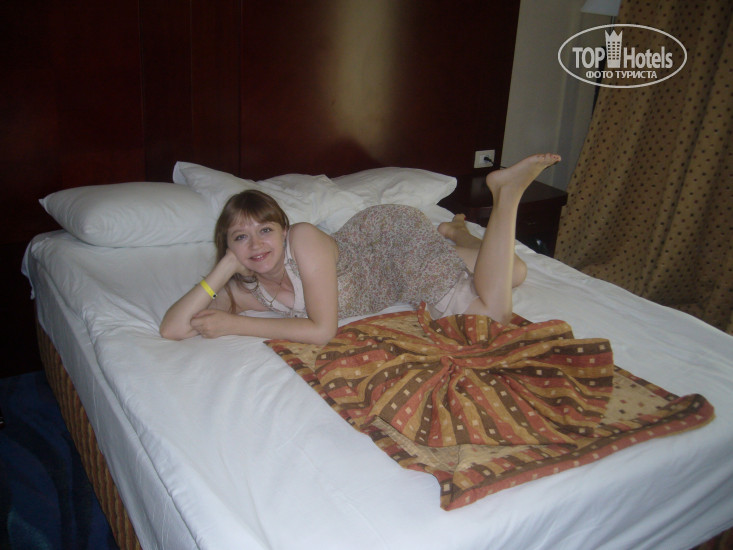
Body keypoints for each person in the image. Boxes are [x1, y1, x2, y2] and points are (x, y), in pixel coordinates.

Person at [160, 153, 561, 345]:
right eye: (240, 237)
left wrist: (235, 324)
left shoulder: (304, 239)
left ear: (283, 232)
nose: (256, 244)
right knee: (514, 272)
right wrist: (223, 269)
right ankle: (459, 235)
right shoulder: (246, 289)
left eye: (265, 229)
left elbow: (322, 330)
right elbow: (172, 328)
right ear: (228, 247)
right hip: (388, 277)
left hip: (392, 243)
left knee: (492, 318)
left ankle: (506, 193)